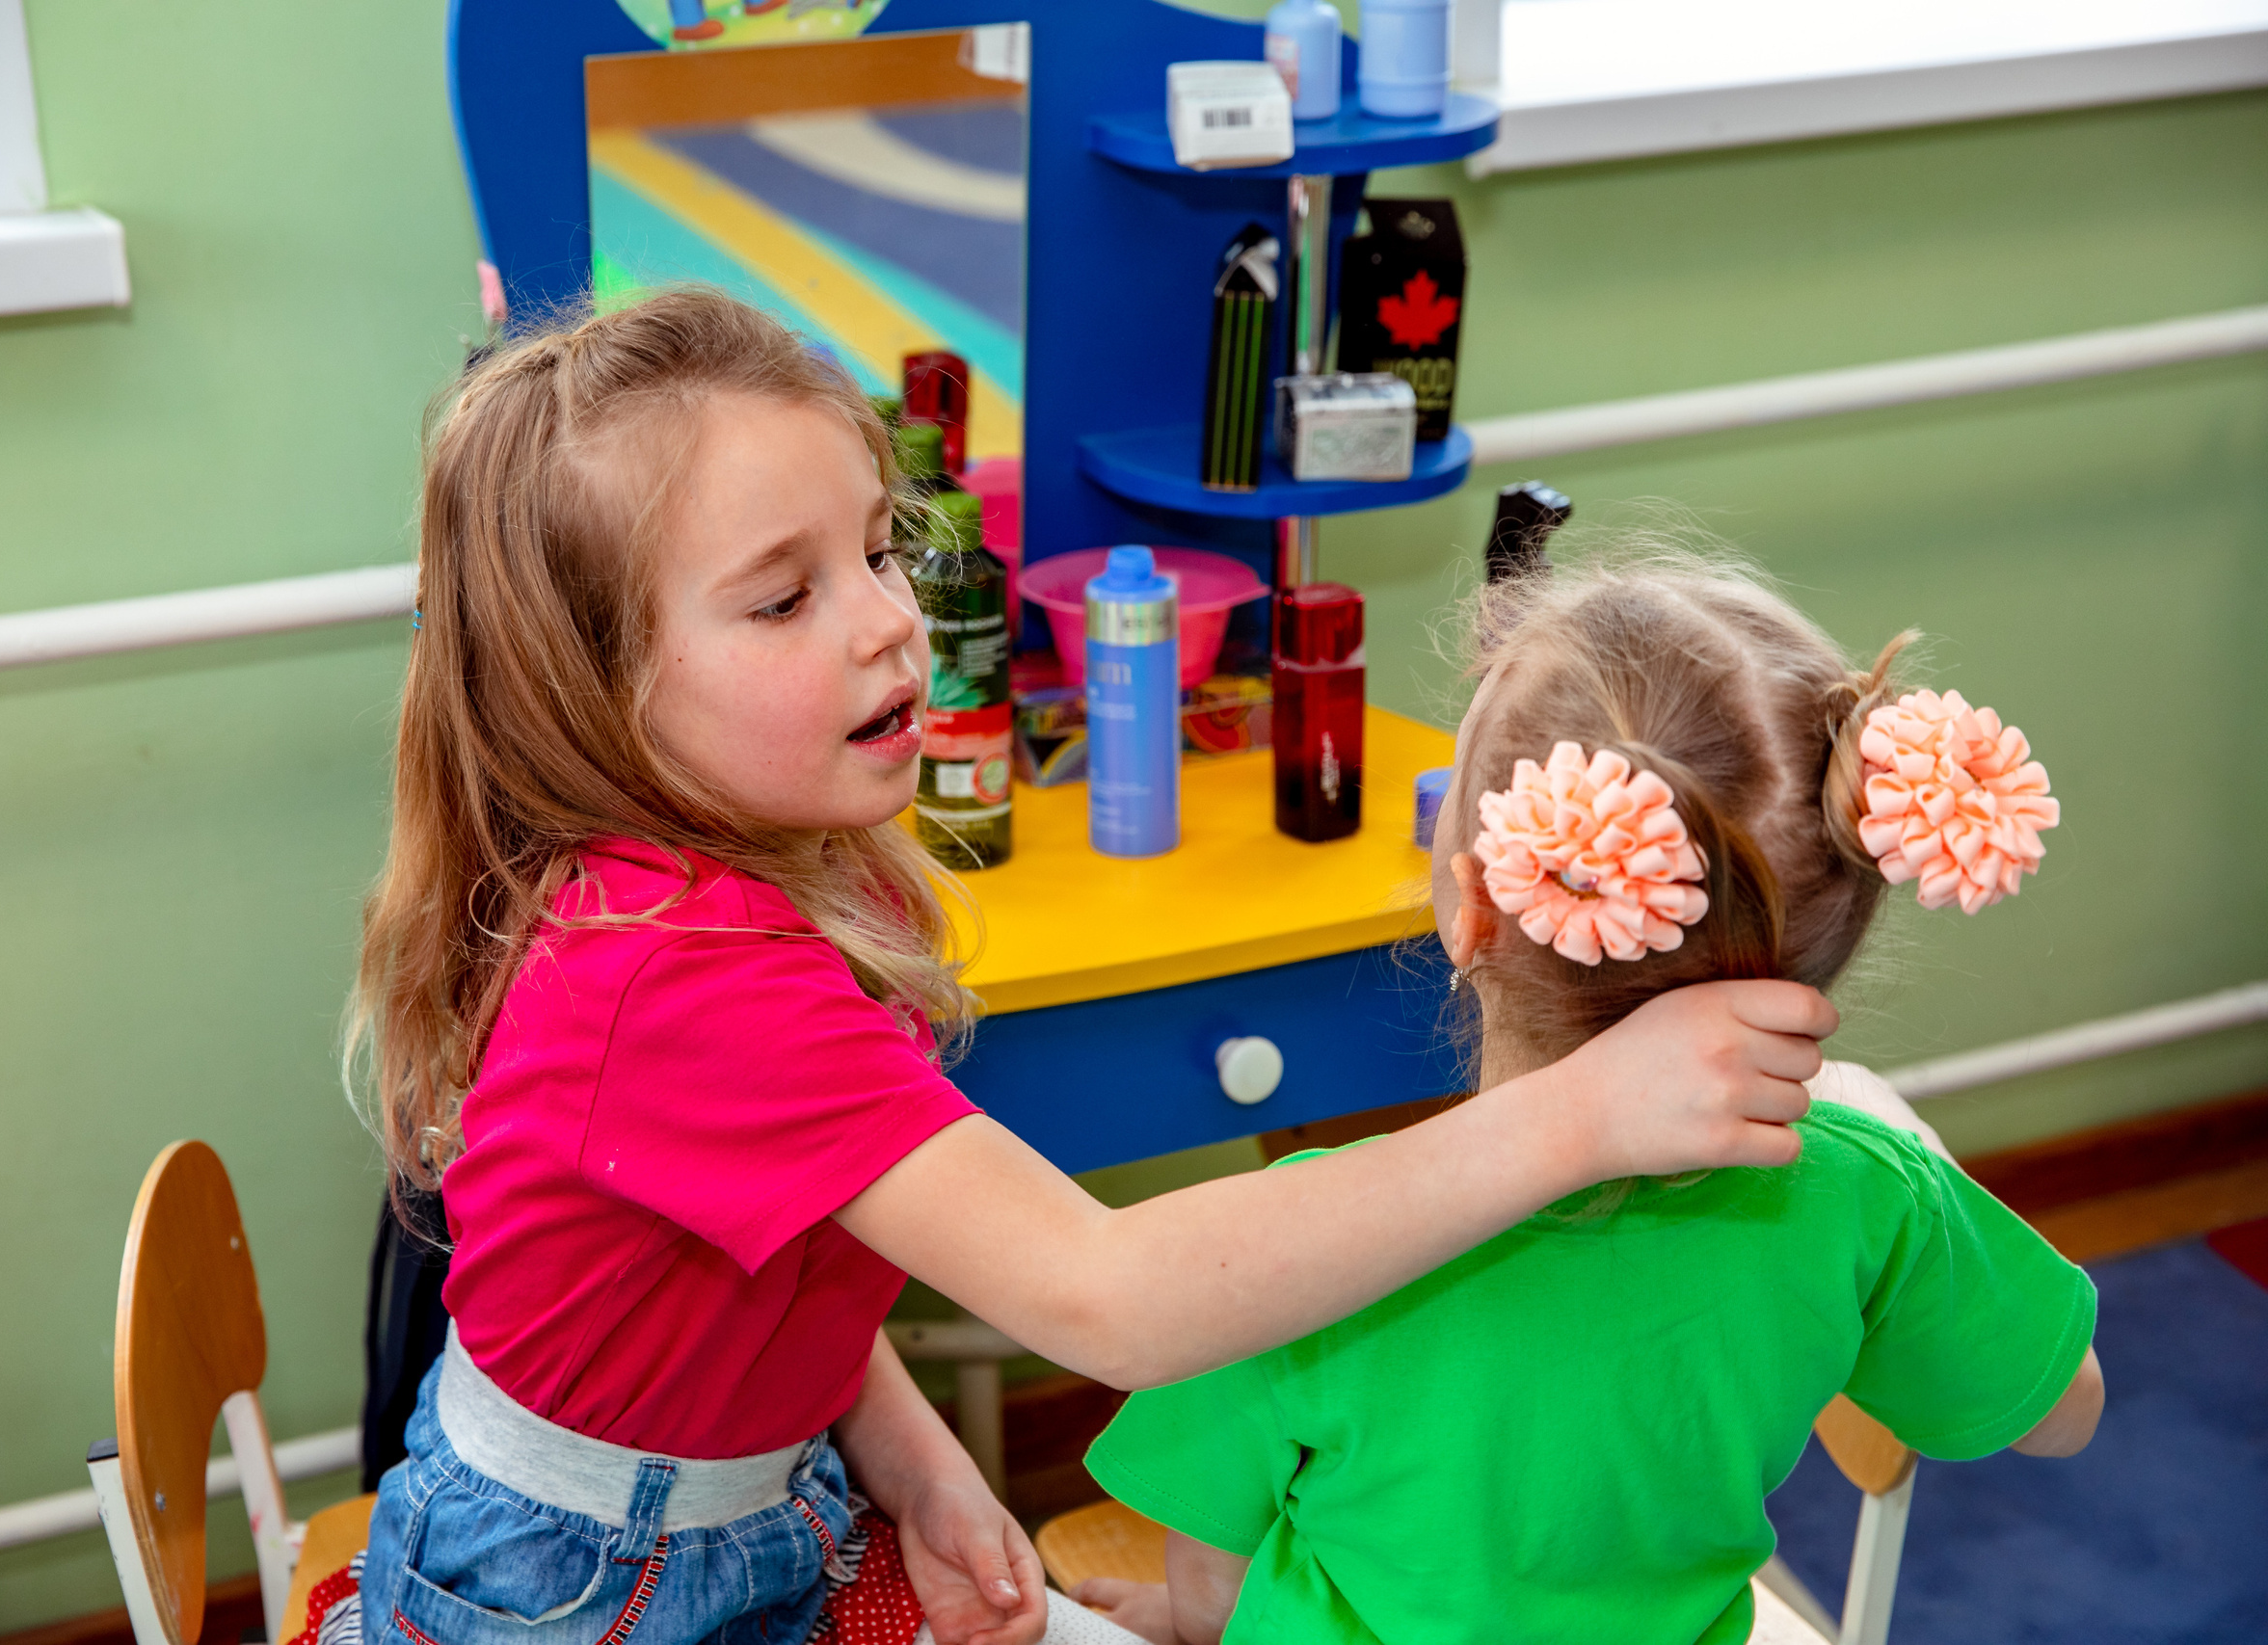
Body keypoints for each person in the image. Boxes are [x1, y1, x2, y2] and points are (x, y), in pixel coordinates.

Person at [346, 290, 1840, 1645]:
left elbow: (771, 1253)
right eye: (784, 596)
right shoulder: (671, 972)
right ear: (589, 686)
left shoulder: (809, 866)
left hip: (755, 1496)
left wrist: (917, 1459)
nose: (887, 621)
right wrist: (1575, 1118)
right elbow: (1111, 1293)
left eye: (877, 550)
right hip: (569, 1590)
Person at [1074, 546, 2100, 1645]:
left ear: (1471, 910)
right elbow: (2062, 1414)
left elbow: (1211, 1599)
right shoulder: (1861, 1193)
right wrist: (1910, 1158)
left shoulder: (1303, 1240)